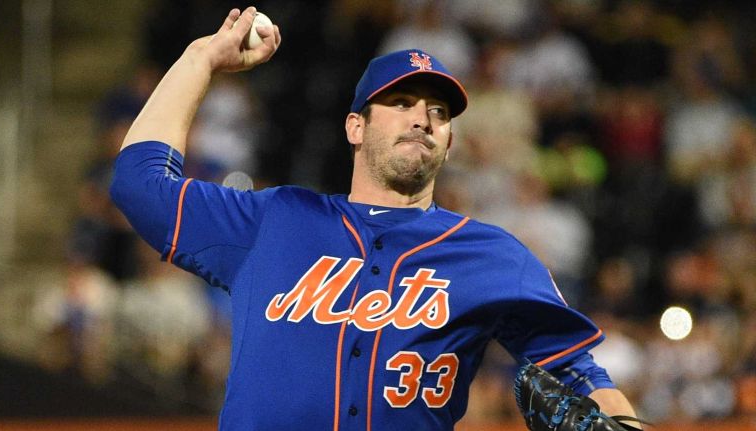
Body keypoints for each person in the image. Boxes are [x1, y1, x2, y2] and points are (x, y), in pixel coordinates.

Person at [110, 6, 641, 430]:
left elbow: (576, 371)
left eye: (438, 113)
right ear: (355, 128)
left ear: (449, 142)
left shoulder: (493, 256)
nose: (422, 117)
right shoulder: (274, 220)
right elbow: (139, 183)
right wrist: (199, 59)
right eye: (403, 102)